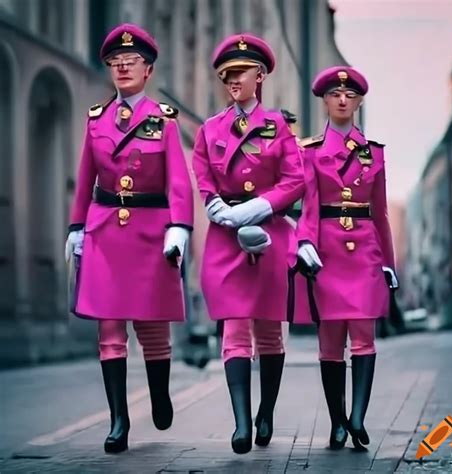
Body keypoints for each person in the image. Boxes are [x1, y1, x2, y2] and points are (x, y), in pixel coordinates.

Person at [65, 23, 193, 453]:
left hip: (151, 230)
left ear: (148, 69)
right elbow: (85, 179)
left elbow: (179, 181)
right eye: (115, 63)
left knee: (152, 327)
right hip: (105, 229)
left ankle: (159, 395)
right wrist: (76, 228)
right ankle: (118, 421)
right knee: (109, 329)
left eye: (130, 61)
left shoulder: (164, 122)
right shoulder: (97, 121)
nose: (121, 67)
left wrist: (180, 227)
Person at [192, 33, 304, 454]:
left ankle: (266, 413)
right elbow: (202, 172)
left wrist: (259, 207)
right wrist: (216, 206)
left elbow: (295, 180)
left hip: (269, 231)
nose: (232, 80)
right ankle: (241, 421)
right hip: (226, 238)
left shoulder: (278, 127)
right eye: (226, 75)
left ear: (260, 75)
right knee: (234, 328)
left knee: (270, 331)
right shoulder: (209, 129)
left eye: (240, 73)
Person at [295, 66, 398, 451]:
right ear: (324, 101)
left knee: (364, 339)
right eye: (335, 95)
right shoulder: (310, 152)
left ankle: (357, 417)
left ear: (358, 101)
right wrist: (303, 244)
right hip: (327, 254)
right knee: (329, 343)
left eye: (350, 95)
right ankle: (337, 422)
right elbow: (307, 207)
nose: (342, 100)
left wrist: (389, 264)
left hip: (365, 254)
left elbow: (381, 213)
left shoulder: (375, 154)